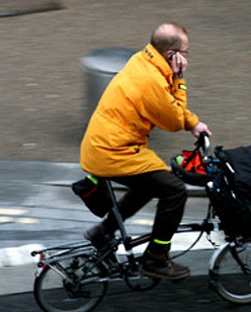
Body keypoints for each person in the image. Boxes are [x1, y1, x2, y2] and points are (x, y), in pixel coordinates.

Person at [79, 22, 211, 280]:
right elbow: (172, 119)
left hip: (109, 146)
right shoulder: (151, 79)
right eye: (185, 51)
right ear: (171, 54)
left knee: (152, 181)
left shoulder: (142, 59)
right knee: (174, 191)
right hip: (114, 152)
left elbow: (167, 107)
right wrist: (180, 80)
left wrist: (193, 123)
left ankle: (104, 231)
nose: (186, 57)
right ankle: (157, 258)